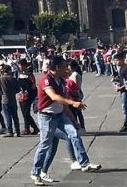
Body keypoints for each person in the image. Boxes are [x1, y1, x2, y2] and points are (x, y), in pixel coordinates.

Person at [29, 57, 100, 185]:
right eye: (63, 66)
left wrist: (74, 121)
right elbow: (54, 97)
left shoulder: (61, 81)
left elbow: (64, 104)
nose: (66, 69)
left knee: (74, 134)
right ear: (56, 67)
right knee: (44, 145)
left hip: (60, 115)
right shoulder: (46, 80)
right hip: (47, 117)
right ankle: (35, 173)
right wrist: (74, 103)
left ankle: (84, 163)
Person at [0, 64, 20, 138]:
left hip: (5, 99)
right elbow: (18, 89)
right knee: (15, 115)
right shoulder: (13, 78)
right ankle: (17, 131)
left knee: (7, 115)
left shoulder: (0, 79)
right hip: (13, 99)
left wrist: (2, 94)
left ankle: (10, 131)